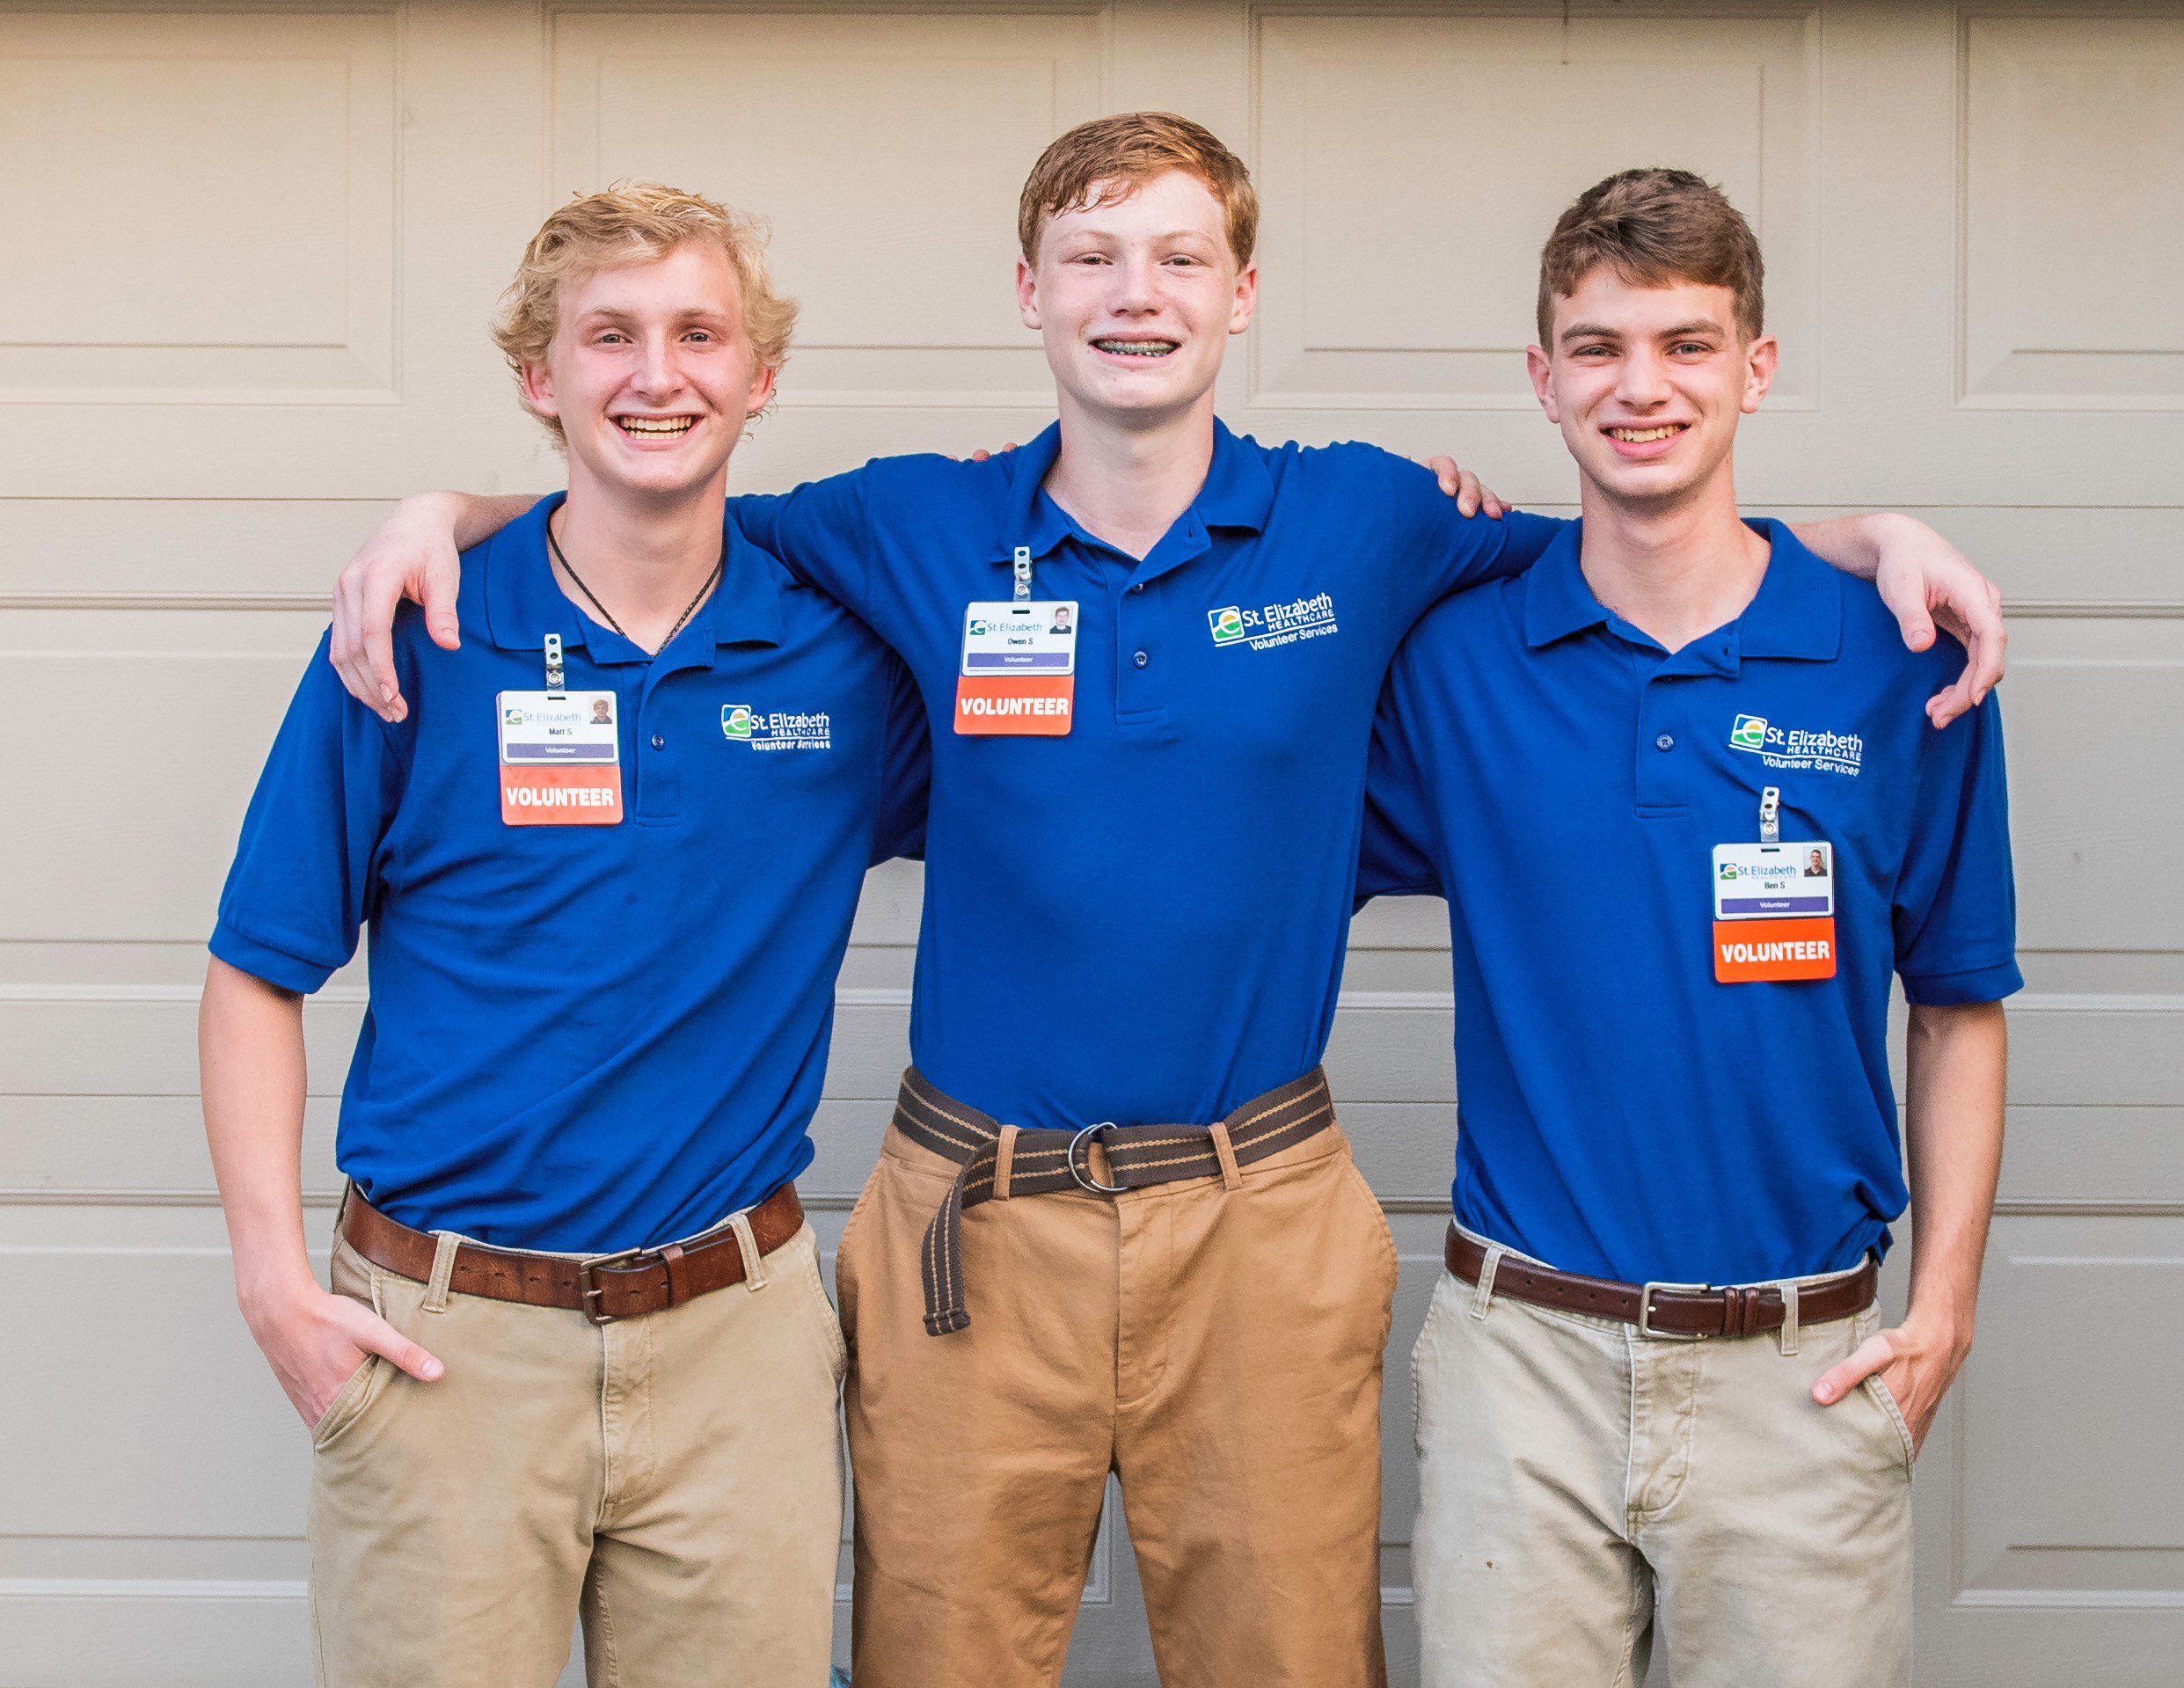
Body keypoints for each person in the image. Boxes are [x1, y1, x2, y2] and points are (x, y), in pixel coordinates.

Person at [318, 117, 2008, 1687]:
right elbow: (645, 500)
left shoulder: (1372, 518)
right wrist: (441, 515)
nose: (1140, 294)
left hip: (1257, 1213)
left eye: (1183, 255)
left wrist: (1860, 539)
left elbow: (1652, 536)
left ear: (1243, 293)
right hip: (973, 1220)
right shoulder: (912, 519)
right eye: (1096, 255)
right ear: (1032, 293)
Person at [198, 185, 926, 1687]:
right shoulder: (417, 632)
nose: (656, 374)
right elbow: (258, 969)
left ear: (758, 376)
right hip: (449, 1345)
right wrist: (276, 1286)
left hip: (741, 1346)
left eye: (697, 333)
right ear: (541, 377)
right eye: (610, 336)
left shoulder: (846, 642)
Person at [1363, 169, 2017, 1687]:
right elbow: (1238, 779)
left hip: (1806, 1369)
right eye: (1597, 348)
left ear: (1755, 367)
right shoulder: (1455, 660)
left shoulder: (1898, 653)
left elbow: (1961, 1005)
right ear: (1543, 377)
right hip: (1521, 1365)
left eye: (1686, 344)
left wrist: (1946, 1310)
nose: (1640, 387)